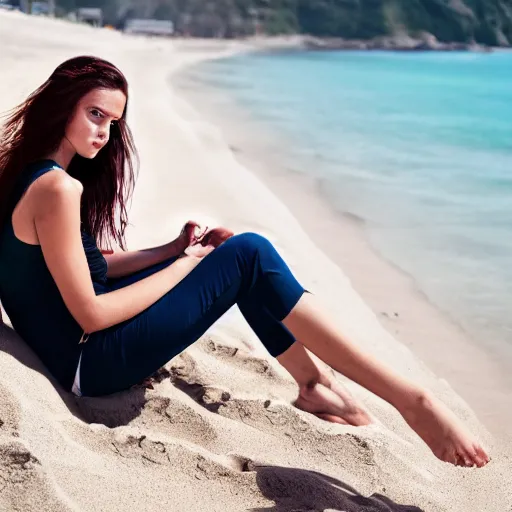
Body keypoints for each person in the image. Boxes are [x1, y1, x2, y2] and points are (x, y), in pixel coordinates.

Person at [0, 56, 489, 468]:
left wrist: (172, 250)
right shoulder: (59, 189)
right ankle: (409, 400)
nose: (104, 133)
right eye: (95, 114)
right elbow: (92, 312)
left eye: (113, 122)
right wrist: (188, 266)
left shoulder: (33, 176)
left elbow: (85, 265)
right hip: (91, 361)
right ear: (63, 105)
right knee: (247, 254)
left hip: (81, 348)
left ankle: (316, 385)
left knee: (239, 258)